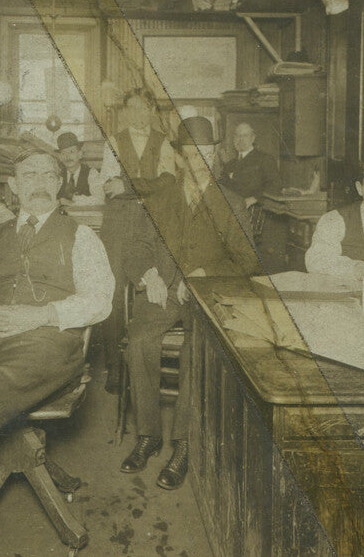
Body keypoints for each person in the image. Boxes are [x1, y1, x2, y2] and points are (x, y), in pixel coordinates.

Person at [0, 149, 114, 469]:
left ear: (59, 184)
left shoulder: (82, 236)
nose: (39, 184)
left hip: (46, 341)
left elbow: (100, 300)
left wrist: (42, 314)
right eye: (29, 176)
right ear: (13, 185)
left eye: (48, 176)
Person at [121, 116, 256, 490]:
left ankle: (183, 443)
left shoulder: (230, 202)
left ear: (216, 155)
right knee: (140, 343)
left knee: (195, 351)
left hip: (207, 296)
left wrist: (200, 274)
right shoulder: (160, 198)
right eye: (191, 153)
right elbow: (135, 248)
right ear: (180, 157)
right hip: (160, 291)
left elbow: (246, 260)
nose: (199, 160)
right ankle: (148, 436)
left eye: (207, 152)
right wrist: (149, 275)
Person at [97, 88, 176, 392]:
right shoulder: (114, 142)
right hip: (119, 224)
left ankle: (145, 362)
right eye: (130, 108)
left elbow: (167, 183)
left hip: (153, 224)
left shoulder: (164, 142)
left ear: (152, 110)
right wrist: (143, 187)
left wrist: (128, 185)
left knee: (154, 286)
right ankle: (116, 367)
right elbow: (109, 187)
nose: (135, 114)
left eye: (142, 108)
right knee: (115, 293)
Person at [218, 122, 280, 208]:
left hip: (256, 211)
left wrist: (254, 199)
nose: (240, 139)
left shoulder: (264, 159)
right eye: (237, 135)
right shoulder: (230, 164)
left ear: (253, 138)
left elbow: (275, 185)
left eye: (245, 136)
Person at [56, 131, 103, 206]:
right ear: (60, 157)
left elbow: (100, 199)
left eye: (71, 152)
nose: (67, 157)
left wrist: (73, 202)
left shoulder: (92, 173)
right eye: (63, 153)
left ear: (80, 154)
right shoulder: (57, 175)